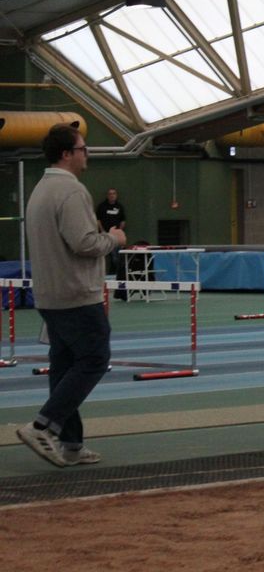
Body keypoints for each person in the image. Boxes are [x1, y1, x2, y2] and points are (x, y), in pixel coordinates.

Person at [18, 124, 126, 467]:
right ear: (67, 154)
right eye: (83, 149)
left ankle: (71, 444)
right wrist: (114, 240)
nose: (87, 154)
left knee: (64, 367)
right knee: (94, 359)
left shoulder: (40, 189)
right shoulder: (71, 191)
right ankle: (42, 426)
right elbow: (84, 243)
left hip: (49, 294)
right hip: (76, 294)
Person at [95, 187, 126, 275]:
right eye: (110, 194)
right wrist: (103, 231)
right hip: (104, 235)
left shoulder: (119, 207)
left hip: (115, 237)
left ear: (116, 195)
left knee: (115, 257)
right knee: (103, 256)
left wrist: (119, 232)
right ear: (107, 196)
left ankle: (115, 274)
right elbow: (98, 220)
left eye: (114, 193)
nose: (112, 195)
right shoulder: (102, 206)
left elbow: (123, 221)